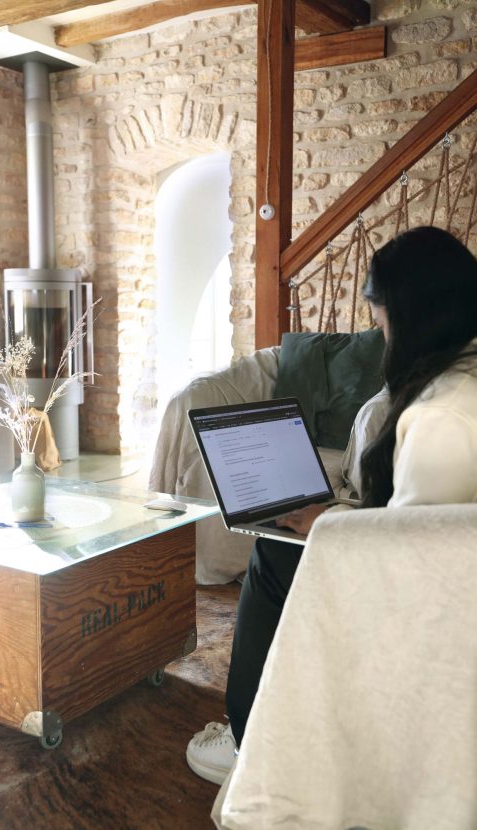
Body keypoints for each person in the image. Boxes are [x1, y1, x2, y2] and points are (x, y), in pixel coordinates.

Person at [186, 225, 477, 785]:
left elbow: (408, 562)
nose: (384, 341)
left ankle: (251, 748)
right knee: (295, 536)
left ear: (415, 317)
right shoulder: (463, 373)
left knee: (275, 554)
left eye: (384, 326)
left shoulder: (441, 419)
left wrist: (329, 522)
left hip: (437, 608)